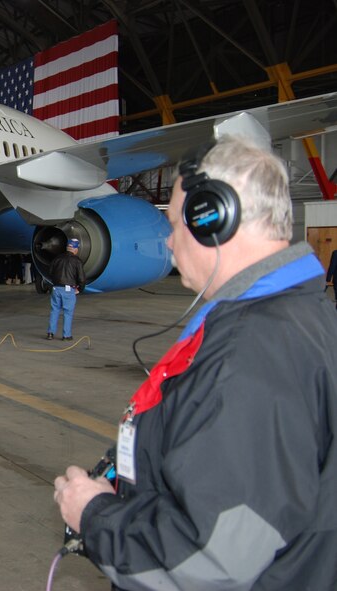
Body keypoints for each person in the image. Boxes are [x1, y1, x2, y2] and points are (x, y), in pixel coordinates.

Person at [53, 135, 337, 590]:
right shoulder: (303, 317)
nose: (169, 241)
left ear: (213, 222)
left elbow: (211, 558)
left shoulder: (254, 355)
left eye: (173, 223)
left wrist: (95, 514)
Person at [46, 238, 85, 340]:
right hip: (68, 289)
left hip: (56, 288)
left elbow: (50, 272)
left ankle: (50, 333)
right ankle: (66, 335)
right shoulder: (77, 261)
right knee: (67, 313)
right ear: (76, 249)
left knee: (54, 311)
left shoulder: (57, 258)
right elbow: (81, 278)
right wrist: (80, 289)